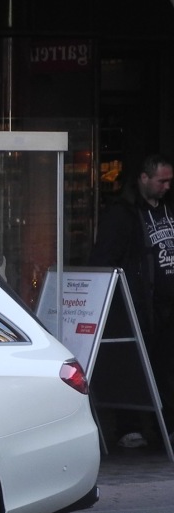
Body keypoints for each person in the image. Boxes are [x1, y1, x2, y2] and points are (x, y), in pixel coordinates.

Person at [89, 153, 174, 448]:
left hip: (165, 306)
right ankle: (128, 426)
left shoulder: (167, 211)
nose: (166, 186)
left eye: (169, 181)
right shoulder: (122, 214)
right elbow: (104, 260)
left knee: (165, 368)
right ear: (144, 178)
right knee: (135, 366)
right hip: (138, 305)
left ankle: (166, 426)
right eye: (161, 181)